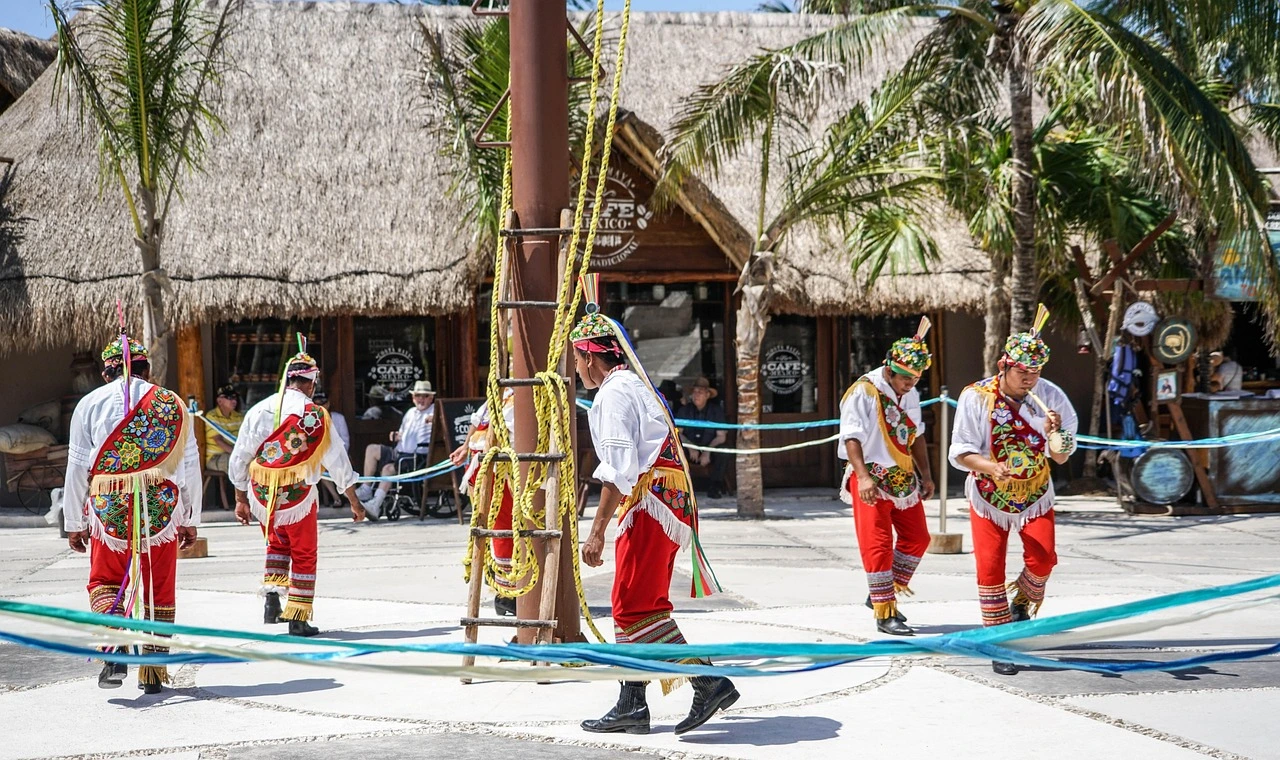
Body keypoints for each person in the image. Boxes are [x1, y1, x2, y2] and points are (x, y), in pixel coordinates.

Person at [572, 276, 738, 737]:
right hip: (666, 505)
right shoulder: (634, 385)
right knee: (639, 604)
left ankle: (707, 680)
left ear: (591, 357)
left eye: (578, 359)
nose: (578, 369)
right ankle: (633, 704)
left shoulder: (614, 393)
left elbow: (619, 467)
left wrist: (597, 529)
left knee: (632, 610)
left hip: (650, 506)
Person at [62, 336, 202, 694]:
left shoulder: (90, 403)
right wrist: (190, 517)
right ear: (147, 370)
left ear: (106, 373)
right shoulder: (171, 404)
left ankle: (115, 647)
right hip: (161, 508)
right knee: (159, 588)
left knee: (105, 581)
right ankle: (153, 674)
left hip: (109, 506)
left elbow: (77, 467)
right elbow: (188, 465)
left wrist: (73, 523)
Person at [948, 305, 1078, 676]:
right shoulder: (977, 397)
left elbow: (1062, 457)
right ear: (1004, 367)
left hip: (1035, 492)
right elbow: (959, 452)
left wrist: (1056, 433)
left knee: (1044, 558)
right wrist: (991, 466)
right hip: (989, 494)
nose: (1030, 380)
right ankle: (999, 643)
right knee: (989, 568)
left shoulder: (1051, 397)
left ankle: (1021, 602)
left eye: (1035, 373)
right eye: (1022, 372)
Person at [229, 344, 364, 637]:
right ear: (310, 382)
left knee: (276, 544)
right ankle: (298, 618)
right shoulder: (313, 414)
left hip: (262, 493)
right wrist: (353, 500)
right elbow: (337, 460)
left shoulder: (259, 408)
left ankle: (272, 599)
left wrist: (241, 498)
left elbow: (240, 456)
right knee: (303, 553)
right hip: (297, 494)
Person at [838, 319, 935, 636]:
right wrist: (863, 478)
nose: (910, 384)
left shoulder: (911, 393)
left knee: (918, 537)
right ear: (889, 369)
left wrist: (926, 475)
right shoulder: (864, 392)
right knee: (877, 544)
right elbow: (851, 437)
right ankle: (884, 612)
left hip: (903, 476)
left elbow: (916, 435)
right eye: (906, 378)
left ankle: (881, 594)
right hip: (871, 475)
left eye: (916, 378)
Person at [449, 388, 517, 618]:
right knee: (502, 526)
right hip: (493, 468)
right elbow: (478, 421)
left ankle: (505, 590)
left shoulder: (514, 391)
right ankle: (506, 593)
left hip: (496, 465)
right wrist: (466, 446)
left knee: (504, 526)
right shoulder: (504, 391)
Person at [357, 379, 436, 518]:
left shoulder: (434, 410)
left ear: (431, 397)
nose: (421, 399)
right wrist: (396, 435)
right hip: (400, 452)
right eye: (418, 396)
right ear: (413, 397)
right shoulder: (411, 412)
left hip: (417, 457)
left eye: (424, 396)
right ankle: (366, 488)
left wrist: (434, 419)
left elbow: (442, 421)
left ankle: (376, 503)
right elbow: (402, 433)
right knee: (372, 449)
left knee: (388, 469)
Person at [676, 377, 728, 499]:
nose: (696, 395)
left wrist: (707, 451)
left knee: (723, 452)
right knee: (676, 451)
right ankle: (682, 488)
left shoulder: (716, 411)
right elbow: (677, 433)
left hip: (710, 447)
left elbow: (721, 436)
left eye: (700, 392)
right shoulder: (685, 410)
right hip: (690, 449)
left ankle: (715, 486)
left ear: (707, 394)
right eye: (694, 392)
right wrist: (690, 447)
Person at [204, 384, 243, 509]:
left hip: (235, 453)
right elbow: (218, 441)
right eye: (229, 397)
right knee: (238, 464)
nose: (233, 400)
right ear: (219, 400)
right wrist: (238, 454)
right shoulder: (211, 417)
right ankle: (242, 501)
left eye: (235, 397)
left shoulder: (239, 417)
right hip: (215, 457)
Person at [313, 391, 350, 508]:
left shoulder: (339, 418)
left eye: (323, 403)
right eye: (317, 404)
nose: (321, 406)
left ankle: (347, 495)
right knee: (319, 467)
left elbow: (345, 439)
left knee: (342, 465)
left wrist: (338, 454)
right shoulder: (311, 420)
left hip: (339, 453)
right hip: (320, 456)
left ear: (328, 403)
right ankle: (337, 498)